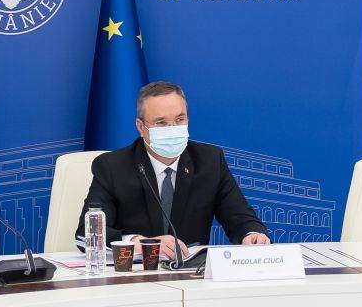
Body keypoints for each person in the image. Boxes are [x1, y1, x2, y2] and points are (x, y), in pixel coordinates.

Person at [76, 81, 270, 259]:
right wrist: (141, 244)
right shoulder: (112, 166)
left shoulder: (210, 161)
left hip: (190, 274)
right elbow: (86, 233)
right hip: (132, 273)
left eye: (179, 119)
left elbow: (241, 218)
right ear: (141, 127)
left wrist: (252, 235)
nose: (172, 128)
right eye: (161, 122)